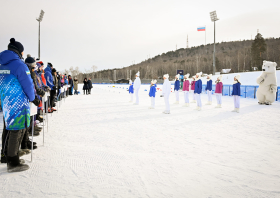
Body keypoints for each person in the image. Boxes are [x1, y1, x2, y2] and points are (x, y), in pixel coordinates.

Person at [0, 38, 39, 172]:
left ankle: (8, 154)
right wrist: (33, 97)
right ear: (19, 52)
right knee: (17, 129)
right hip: (18, 101)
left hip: (6, 101)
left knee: (9, 128)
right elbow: (28, 85)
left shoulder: (1, 63)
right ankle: (13, 162)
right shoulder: (19, 64)